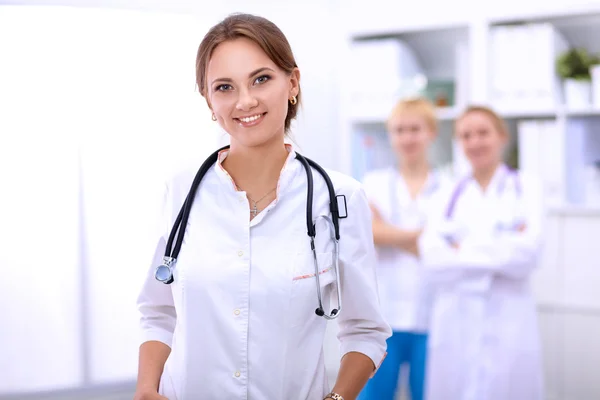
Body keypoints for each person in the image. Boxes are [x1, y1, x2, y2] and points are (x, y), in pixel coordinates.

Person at [133, 13, 391, 400]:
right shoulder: (181, 190)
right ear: (209, 101)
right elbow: (158, 312)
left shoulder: (338, 197)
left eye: (261, 78)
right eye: (224, 87)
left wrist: (338, 398)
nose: (245, 100)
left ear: (293, 83)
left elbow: (365, 330)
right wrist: (145, 389)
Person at [418, 105, 544, 400]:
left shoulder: (527, 188)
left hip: (510, 318)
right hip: (456, 319)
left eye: (483, 133)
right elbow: (433, 257)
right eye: (466, 135)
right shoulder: (444, 192)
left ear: (502, 136)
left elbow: (528, 255)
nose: (475, 142)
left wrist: (461, 249)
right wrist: (498, 248)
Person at [358, 98, 449, 400]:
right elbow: (366, 232)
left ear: (431, 132)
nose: (407, 138)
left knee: (431, 393)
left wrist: (388, 233)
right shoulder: (372, 184)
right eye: (399, 130)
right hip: (384, 317)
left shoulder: (450, 188)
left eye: (415, 129)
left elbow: (455, 249)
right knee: (376, 395)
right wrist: (427, 239)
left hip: (434, 315)